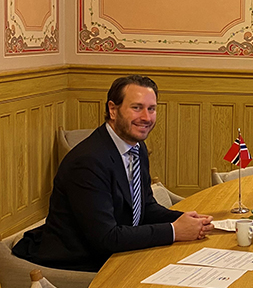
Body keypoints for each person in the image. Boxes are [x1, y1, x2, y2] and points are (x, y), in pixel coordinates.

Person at [13, 75, 214, 272]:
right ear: (113, 109)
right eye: (136, 108)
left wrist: (187, 221)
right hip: (79, 264)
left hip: (118, 252)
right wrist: (174, 231)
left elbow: (145, 208)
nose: (146, 117)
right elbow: (106, 239)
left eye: (151, 109)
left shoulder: (137, 147)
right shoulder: (88, 162)